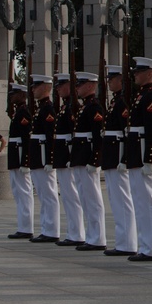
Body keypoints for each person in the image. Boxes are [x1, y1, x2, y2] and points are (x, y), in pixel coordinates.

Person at [124, 57, 152, 262]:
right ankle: (146, 245)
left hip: (142, 152)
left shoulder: (150, 96)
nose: (135, 75)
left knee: (146, 201)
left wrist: (149, 158)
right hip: (135, 150)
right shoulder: (140, 95)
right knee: (139, 201)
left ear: (150, 74)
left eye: (139, 72)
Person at [101, 67, 137, 257]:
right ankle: (122, 241)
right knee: (116, 201)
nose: (109, 82)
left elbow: (126, 132)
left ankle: (128, 242)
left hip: (118, 154)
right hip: (111, 154)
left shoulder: (122, 102)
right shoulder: (116, 100)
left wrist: (124, 158)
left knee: (122, 200)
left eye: (112, 79)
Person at [70, 71, 107, 251]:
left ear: (91, 86)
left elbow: (98, 137)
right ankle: (91, 236)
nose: (77, 87)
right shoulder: (85, 107)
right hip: (80, 157)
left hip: (88, 159)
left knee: (93, 199)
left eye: (81, 84)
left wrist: (95, 160)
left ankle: (98, 238)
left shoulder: (94, 107)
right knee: (85, 198)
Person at [52, 73, 85, 247]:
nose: (57, 88)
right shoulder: (65, 106)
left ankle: (77, 233)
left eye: (61, 85)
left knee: (72, 196)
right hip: (62, 154)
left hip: (68, 154)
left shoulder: (73, 107)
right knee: (67, 196)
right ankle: (73, 232)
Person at [28, 75, 60, 243]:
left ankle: (52, 230)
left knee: (49, 194)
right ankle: (47, 228)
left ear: (45, 88)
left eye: (36, 86)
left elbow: (50, 136)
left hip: (42, 157)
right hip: (37, 156)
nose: (33, 89)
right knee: (42, 194)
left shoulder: (48, 109)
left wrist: (49, 160)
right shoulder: (41, 108)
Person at [6, 84, 34, 239]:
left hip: (20, 155)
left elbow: (26, 138)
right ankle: (23, 225)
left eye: (14, 94)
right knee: (18, 192)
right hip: (15, 155)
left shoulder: (24, 112)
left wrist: (25, 161)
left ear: (22, 95)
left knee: (24, 192)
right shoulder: (18, 112)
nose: (11, 96)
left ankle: (27, 227)